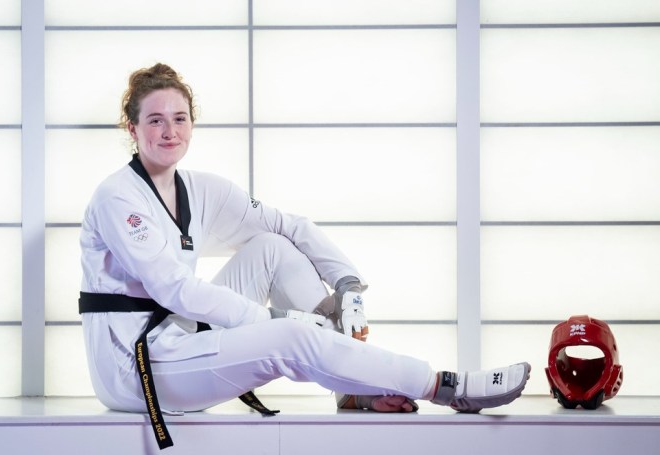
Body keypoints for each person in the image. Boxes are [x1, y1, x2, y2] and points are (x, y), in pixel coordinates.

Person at [79, 63, 531, 449]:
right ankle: (444, 386)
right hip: (135, 366)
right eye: (155, 120)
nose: (169, 131)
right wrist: (275, 319)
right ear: (132, 128)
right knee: (290, 340)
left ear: (192, 124)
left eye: (179, 118)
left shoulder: (198, 188)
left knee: (272, 250)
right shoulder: (118, 197)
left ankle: (355, 393)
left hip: (177, 336)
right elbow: (171, 288)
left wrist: (348, 286)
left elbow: (288, 226)